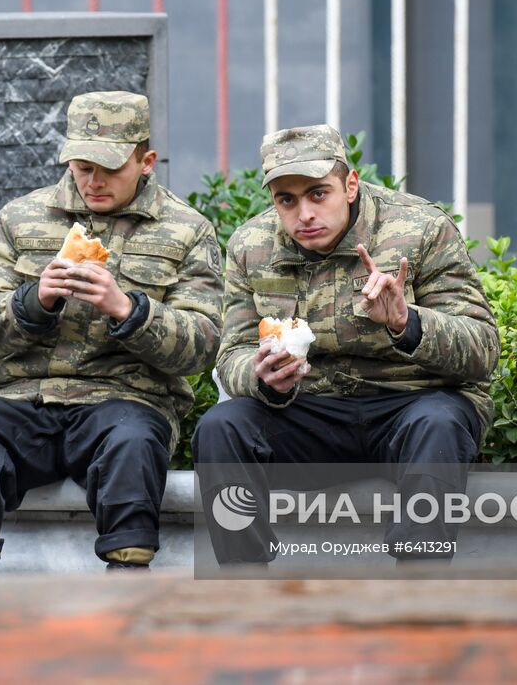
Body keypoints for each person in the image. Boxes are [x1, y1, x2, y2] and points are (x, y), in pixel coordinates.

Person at [0, 91, 223, 572]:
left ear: (146, 161)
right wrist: (34, 300)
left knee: (133, 446)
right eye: (83, 166)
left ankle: (127, 585)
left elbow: (202, 345)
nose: (94, 180)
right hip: (24, 399)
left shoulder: (186, 230)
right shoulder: (22, 218)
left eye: (109, 167)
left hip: (127, 400)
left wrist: (128, 309)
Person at [193, 124, 500, 565]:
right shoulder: (250, 246)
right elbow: (233, 354)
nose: (304, 214)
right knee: (221, 427)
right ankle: (247, 586)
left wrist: (406, 322)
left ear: (350, 185)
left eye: (318, 194)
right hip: (309, 410)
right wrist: (262, 378)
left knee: (440, 423)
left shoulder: (420, 228)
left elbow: (484, 349)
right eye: (287, 200)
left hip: (412, 405)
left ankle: (422, 587)